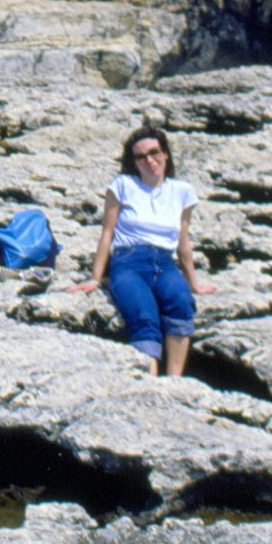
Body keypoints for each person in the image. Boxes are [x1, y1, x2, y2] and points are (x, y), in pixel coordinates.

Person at [69, 126, 215, 375]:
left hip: (165, 263)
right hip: (129, 262)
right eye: (141, 156)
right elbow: (107, 232)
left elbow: (183, 243)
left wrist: (194, 283)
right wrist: (96, 277)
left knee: (181, 305)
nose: (149, 160)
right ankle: (149, 386)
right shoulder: (123, 184)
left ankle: (174, 383)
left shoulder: (182, 191)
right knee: (144, 317)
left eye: (154, 152)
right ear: (133, 162)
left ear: (165, 154)